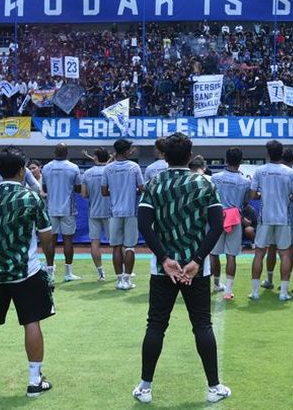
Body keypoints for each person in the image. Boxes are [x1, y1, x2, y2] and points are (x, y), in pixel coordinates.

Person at [134, 132, 230, 404]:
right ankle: (214, 387)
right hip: (194, 269)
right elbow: (217, 226)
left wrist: (165, 259)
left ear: (163, 154)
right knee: (202, 325)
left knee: (155, 326)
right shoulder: (205, 183)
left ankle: (145, 387)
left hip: (164, 269)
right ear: (190, 156)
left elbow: (143, 224)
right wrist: (197, 260)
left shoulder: (154, 183)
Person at [0, 146, 56, 398]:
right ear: (22, 170)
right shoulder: (31, 198)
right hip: (26, 272)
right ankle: (34, 380)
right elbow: (46, 236)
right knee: (31, 322)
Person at [248, 140, 293, 301]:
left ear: (268, 154)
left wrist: (263, 195)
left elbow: (252, 195)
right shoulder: (290, 173)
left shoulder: (260, 171)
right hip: (283, 218)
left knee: (259, 253)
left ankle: (255, 292)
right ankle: (283, 292)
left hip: (265, 218)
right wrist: (285, 196)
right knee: (285, 254)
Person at [208, 147, 251, 300]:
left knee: (213, 253)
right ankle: (228, 291)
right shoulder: (245, 181)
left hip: (217, 217)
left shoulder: (215, 178)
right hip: (234, 218)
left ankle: (216, 284)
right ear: (240, 162)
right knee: (231, 255)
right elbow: (246, 202)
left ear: (226, 160)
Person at [102, 138, 144, 290]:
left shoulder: (108, 168)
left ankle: (119, 280)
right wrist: (132, 191)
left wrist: (116, 192)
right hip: (131, 211)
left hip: (114, 212)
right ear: (126, 151)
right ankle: (127, 280)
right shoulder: (134, 167)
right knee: (130, 247)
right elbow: (141, 188)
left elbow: (104, 191)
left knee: (116, 247)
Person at [42, 143, 83, 282]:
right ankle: (68, 273)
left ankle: (50, 273)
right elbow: (78, 189)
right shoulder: (73, 167)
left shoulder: (47, 167)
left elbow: (45, 189)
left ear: (54, 152)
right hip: (68, 209)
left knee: (50, 241)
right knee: (68, 240)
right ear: (67, 152)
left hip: (51, 208)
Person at [81, 148, 111, 282]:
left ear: (95, 157)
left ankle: (100, 273)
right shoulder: (111, 170)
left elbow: (84, 194)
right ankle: (122, 271)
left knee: (95, 242)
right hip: (110, 212)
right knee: (117, 243)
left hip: (94, 212)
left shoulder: (87, 173)